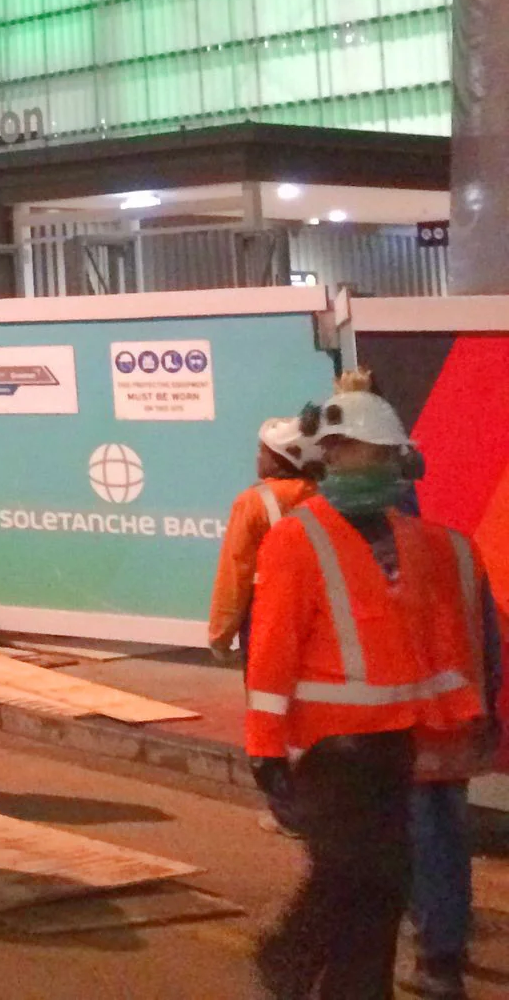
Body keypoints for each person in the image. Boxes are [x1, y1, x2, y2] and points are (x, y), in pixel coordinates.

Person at [246, 392, 483, 1000]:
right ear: (325, 459)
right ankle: (290, 956)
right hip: (332, 746)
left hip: (394, 743)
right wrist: (264, 747)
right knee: (354, 869)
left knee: (385, 882)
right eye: (344, 453)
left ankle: (355, 989)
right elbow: (272, 651)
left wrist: (464, 716)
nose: (357, 464)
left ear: (395, 459)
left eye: (371, 453)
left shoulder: (421, 543)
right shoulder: (296, 540)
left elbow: (436, 642)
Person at [397, 450, 500, 1000]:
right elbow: (490, 640)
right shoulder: (458, 547)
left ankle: (436, 957)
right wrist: (488, 710)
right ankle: (446, 949)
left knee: (417, 840)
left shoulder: (369, 555)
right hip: (456, 721)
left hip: (400, 726)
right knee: (448, 836)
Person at [209, 417, 315, 666]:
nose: (258, 457)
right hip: (318, 615)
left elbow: (236, 573)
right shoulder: (323, 495)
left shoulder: (253, 502)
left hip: (267, 617)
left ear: (283, 458)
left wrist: (220, 635)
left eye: (263, 451)